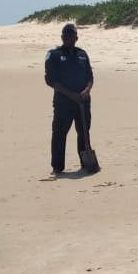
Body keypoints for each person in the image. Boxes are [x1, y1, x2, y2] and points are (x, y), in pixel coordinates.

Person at [44, 22, 94, 174]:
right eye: (66, 36)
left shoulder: (82, 54)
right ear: (62, 37)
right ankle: (57, 166)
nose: (69, 39)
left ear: (76, 38)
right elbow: (50, 81)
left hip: (83, 101)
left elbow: (90, 77)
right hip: (63, 102)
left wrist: (86, 91)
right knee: (59, 133)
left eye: (71, 36)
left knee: (84, 132)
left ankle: (85, 163)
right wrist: (70, 94)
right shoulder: (54, 55)